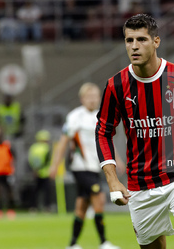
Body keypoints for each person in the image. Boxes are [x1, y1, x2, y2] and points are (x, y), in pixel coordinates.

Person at [95, 14, 174, 249]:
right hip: (140, 184)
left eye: (141, 39)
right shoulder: (116, 86)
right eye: (129, 40)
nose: (134, 46)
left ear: (156, 41)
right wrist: (112, 180)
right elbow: (103, 132)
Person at [49, 83, 122, 249]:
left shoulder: (101, 115)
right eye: (89, 96)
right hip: (80, 167)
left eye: (96, 96)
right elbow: (63, 142)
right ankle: (104, 242)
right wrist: (55, 165)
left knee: (81, 206)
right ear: (82, 99)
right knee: (99, 198)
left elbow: (106, 140)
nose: (93, 100)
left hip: (95, 167)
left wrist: (116, 159)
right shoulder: (75, 116)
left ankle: (72, 244)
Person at [0, 125, 16, 219]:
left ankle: (11, 210)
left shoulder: (7, 146)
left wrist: (12, 169)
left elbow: (14, 157)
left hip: (7, 172)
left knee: (9, 192)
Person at [28, 130, 52, 212]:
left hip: (35, 172)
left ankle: (33, 207)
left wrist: (34, 169)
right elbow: (46, 160)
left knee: (35, 191)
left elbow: (31, 159)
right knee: (46, 192)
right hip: (45, 172)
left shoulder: (33, 147)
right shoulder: (46, 148)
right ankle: (47, 207)